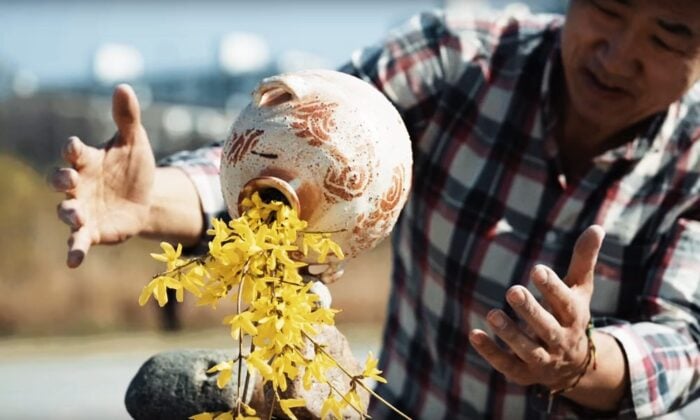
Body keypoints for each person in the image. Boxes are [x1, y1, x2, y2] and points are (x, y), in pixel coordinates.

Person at [51, 1, 700, 418]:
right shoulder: (460, 51)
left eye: (668, 34)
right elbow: (300, 149)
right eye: (609, 9)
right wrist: (151, 197)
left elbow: (685, 342)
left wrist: (581, 362)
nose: (619, 54)